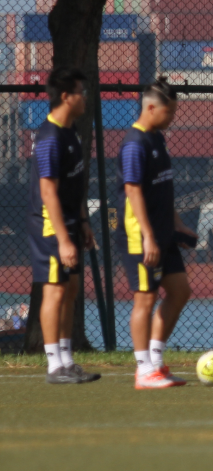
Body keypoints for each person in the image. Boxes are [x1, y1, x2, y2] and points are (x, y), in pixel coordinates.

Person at [117, 78, 199, 389]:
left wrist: (177, 223)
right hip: (142, 235)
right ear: (151, 108)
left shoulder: (157, 139)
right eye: (169, 112)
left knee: (180, 292)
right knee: (145, 299)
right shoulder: (135, 144)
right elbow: (133, 191)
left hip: (165, 232)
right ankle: (143, 370)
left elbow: (163, 186)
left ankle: (155, 360)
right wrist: (149, 236)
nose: (172, 118)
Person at [28, 68, 99, 384]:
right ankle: (54, 366)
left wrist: (83, 222)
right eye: (81, 92)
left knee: (70, 290)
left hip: (70, 222)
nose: (85, 97)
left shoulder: (72, 132)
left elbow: (75, 185)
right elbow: (48, 192)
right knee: (54, 291)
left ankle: (67, 361)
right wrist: (64, 239)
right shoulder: (50, 137)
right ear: (66, 97)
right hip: (50, 227)